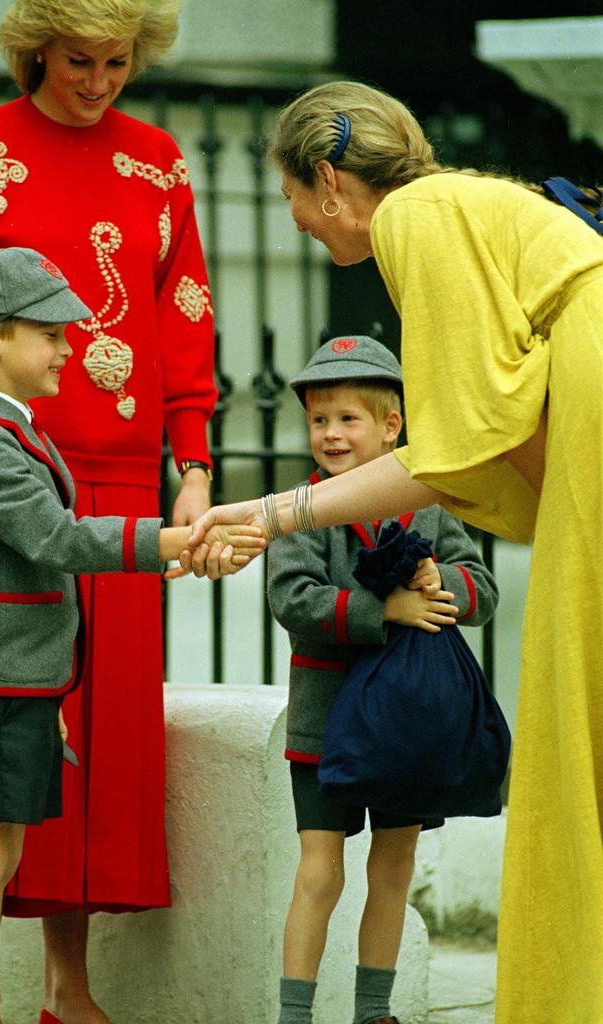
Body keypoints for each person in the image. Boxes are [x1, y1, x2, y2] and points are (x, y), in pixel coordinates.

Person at [185, 80, 603, 1024]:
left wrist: (275, 511)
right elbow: (483, 446)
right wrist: (281, 514)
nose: (291, 219)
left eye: (291, 195)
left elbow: (448, 452)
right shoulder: (459, 203)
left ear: (329, 180)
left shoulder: (416, 218)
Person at [0, 2, 217, 1022]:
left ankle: (68, 991)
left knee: (89, 750)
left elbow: (184, 312)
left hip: (120, 484)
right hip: (3, 479)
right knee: (11, 732)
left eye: (120, 62)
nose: (101, 80)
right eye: (81, 60)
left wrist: (193, 463)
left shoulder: (161, 161)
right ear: (39, 49)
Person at [0, 246, 261, 1024]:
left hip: (21, 682)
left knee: (1, 854)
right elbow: (58, 540)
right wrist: (175, 544)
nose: (71, 348)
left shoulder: (7, 428)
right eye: (51, 333)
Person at [267, 334, 498, 1024]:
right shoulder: (300, 509)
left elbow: (483, 590)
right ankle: (295, 1015)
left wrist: (440, 581)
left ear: (392, 426)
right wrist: (383, 609)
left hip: (406, 726)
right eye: (319, 420)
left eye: (348, 418)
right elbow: (293, 599)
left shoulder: (430, 505)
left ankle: (374, 1012)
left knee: (392, 869)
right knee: (319, 873)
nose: (331, 434)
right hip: (324, 720)